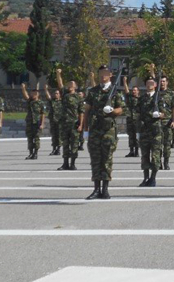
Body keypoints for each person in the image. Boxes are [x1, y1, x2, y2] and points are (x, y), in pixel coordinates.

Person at [83, 65, 124, 200]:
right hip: (95, 129)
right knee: (95, 159)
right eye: (100, 73)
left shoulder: (116, 91)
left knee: (107, 160)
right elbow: (87, 110)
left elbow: (121, 109)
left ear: (110, 75)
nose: (103, 76)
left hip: (108, 131)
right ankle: (96, 189)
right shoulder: (93, 91)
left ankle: (105, 189)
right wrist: (85, 130)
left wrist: (111, 111)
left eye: (105, 73)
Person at [137, 66, 165, 187]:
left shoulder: (159, 97)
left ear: (155, 85)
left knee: (155, 155)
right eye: (148, 83)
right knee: (144, 155)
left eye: (152, 83)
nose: (150, 84)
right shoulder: (142, 98)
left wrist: (158, 114)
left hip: (155, 130)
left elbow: (165, 113)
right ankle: (145, 178)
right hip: (144, 129)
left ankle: (153, 178)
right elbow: (138, 112)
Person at [54, 69, 84, 171]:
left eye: (72, 84)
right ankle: (65, 163)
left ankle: (73, 164)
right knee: (65, 144)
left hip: (74, 124)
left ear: (75, 87)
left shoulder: (78, 98)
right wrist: (58, 74)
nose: (70, 85)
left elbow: (81, 112)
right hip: (65, 123)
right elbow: (60, 83)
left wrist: (80, 124)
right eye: (69, 84)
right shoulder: (65, 94)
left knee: (74, 144)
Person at [20, 83, 45, 160]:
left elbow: (43, 114)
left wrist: (42, 124)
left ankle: (35, 153)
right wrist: (23, 88)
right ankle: (31, 153)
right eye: (32, 93)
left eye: (35, 93)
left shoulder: (41, 103)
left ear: (38, 94)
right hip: (30, 122)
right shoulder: (30, 101)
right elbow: (25, 96)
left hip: (37, 122)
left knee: (36, 138)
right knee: (30, 138)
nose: (33, 94)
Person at [45, 87, 63, 157]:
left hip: (60, 121)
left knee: (59, 135)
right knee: (54, 135)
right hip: (53, 120)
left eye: (57, 93)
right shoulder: (52, 101)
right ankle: (54, 149)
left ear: (59, 95)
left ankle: (58, 149)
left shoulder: (62, 102)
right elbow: (48, 97)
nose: (56, 94)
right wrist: (46, 89)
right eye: (54, 93)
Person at [124, 85, 140, 158]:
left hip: (137, 120)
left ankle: (137, 151)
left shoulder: (140, 99)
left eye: (135, 90)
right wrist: (124, 82)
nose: (134, 91)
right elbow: (127, 92)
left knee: (136, 136)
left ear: (138, 91)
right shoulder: (130, 98)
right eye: (133, 90)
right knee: (130, 135)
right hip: (130, 119)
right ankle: (131, 151)